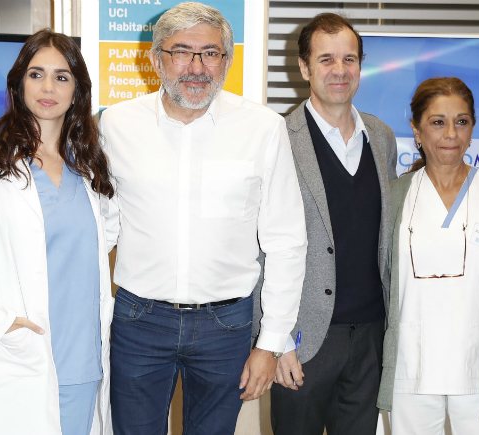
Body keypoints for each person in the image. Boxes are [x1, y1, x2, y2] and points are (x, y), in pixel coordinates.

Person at [99, 2, 307, 434]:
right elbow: (100, 228)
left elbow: (286, 241)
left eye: (210, 53)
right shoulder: (116, 125)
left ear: (227, 61)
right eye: (181, 51)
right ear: (157, 59)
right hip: (139, 320)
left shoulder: (263, 129)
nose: (196, 67)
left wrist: (270, 343)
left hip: (226, 325)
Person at [0, 29, 115, 435]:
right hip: (19, 356)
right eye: (36, 74)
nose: (48, 87)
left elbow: (105, 238)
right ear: (19, 84)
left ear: (77, 90)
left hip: (83, 360)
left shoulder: (88, 170)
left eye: (62, 77)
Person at [376, 77, 479, 434]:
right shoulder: (394, 197)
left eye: (461, 121)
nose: (451, 133)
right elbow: (380, 274)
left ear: (472, 128)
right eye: (438, 122)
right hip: (412, 365)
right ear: (417, 130)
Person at [255, 12, 398, 435]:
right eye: (326, 59)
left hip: (371, 334)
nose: (340, 70)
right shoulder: (278, 138)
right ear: (304, 67)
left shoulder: (381, 136)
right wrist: (275, 342)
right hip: (304, 339)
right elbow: (260, 249)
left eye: (349, 59)